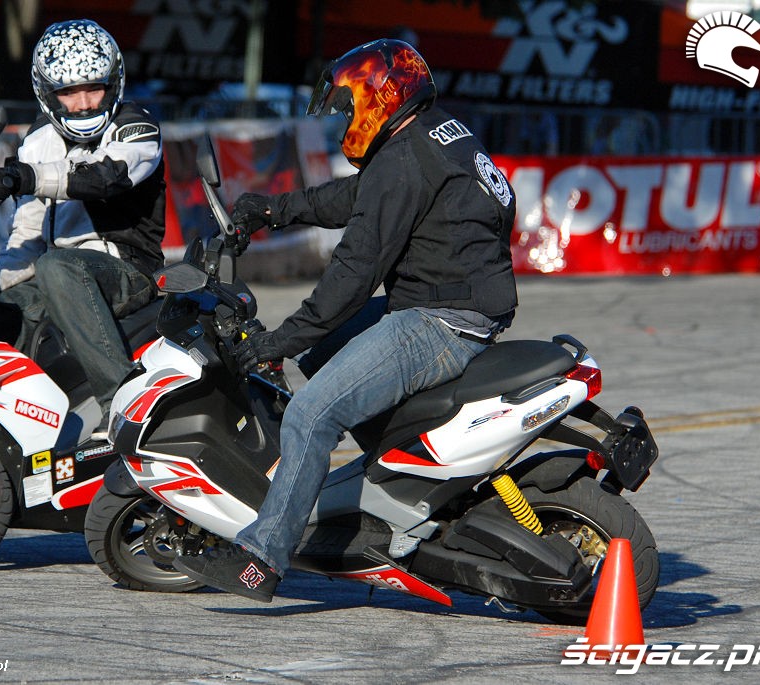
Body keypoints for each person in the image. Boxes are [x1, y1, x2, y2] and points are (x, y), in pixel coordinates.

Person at [173, 39, 518, 602]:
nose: (345, 120)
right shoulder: (434, 134)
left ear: (381, 98)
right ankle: (399, 479)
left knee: (310, 415)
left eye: (349, 106)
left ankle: (262, 559)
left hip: (442, 320)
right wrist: (275, 210)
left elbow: (353, 274)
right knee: (324, 349)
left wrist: (279, 341)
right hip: (458, 301)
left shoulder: (404, 162)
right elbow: (359, 195)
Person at [0, 19, 165, 438]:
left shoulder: (137, 127)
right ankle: (4, 431)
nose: (83, 104)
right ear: (47, 93)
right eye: (68, 92)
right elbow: (26, 235)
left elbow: (104, 177)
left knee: (56, 266)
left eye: (93, 89)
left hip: (128, 270)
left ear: (113, 83)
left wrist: (29, 177)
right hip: (61, 275)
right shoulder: (37, 141)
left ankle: (123, 403)